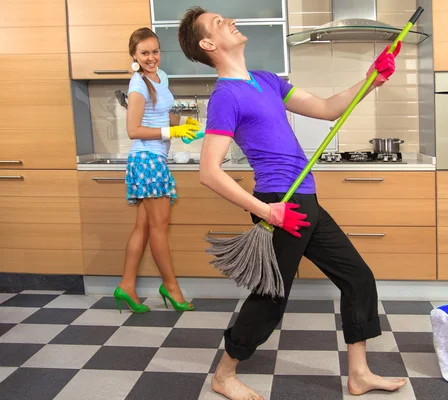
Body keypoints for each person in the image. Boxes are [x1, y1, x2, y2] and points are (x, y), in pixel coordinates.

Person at [178, 8, 405, 399]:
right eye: (217, 22)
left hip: (304, 198)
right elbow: (209, 172)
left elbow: (328, 108)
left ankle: (359, 374)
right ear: (208, 44)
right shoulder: (225, 96)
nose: (229, 19)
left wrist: (373, 78)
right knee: (271, 296)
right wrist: (268, 212)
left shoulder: (267, 81)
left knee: (358, 278)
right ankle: (224, 374)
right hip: (279, 201)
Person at [113, 27, 197, 313]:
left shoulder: (161, 78)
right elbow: (133, 129)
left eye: (155, 51)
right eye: (144, 53)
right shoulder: (137, 84)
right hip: (146, 159)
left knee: (144, 227)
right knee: (159, 228)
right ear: (134, 56)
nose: (151, 57)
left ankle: (126, 285)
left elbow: (167, 114)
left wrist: (183, 125)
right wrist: (171, 130)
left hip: (153, 159)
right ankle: (171, 288)